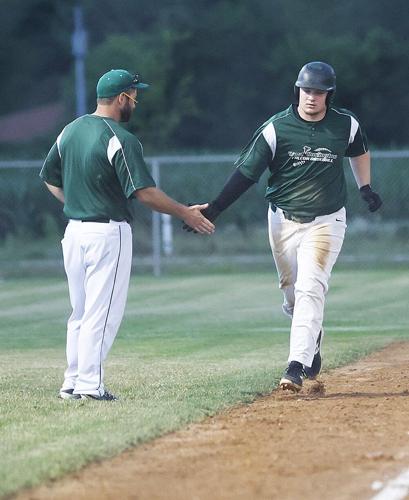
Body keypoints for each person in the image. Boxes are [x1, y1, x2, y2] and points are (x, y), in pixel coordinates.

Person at [185, 61, 382, 392]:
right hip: (283, 220)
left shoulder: (344, 124)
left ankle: (296, 366)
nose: (312, 97)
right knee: (292, 294)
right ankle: (312, 341)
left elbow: (359, 151)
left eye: (319, 92)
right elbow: (247, 174)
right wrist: (216, 207)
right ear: (297, 91)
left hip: (327, 221)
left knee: (310, 287)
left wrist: (365, 187)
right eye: (307, 90)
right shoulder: (277, 128)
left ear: (328, 95)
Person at [40, 69, 215, 401]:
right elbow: (144, 192)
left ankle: (73, 380)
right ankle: (90, 386)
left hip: (74, 232)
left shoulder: (69, 131)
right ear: (122, 98)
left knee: (79, 311)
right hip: (107, 233)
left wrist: (76, 202)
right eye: (135, 94)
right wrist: (185, 212)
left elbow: (49, 177)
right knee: (102, 313)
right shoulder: (119, 137)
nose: (137, 100)